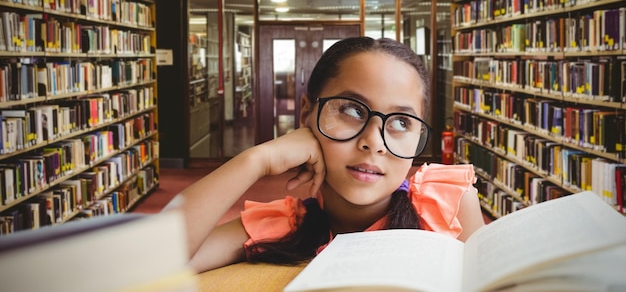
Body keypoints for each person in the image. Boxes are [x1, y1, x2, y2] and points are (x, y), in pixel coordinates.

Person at [164, 37, 485, 273]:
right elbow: (148, 261)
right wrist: (255, 161)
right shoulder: (285, 225)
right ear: (307, 112)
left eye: (401, 121)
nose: (374, 142)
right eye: (351, 109)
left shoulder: (449, 205)